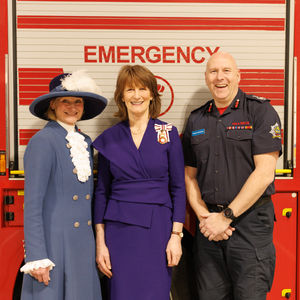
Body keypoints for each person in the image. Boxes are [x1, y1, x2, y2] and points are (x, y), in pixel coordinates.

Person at [182, 52, 282, 300]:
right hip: (209, 230)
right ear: (206, 78)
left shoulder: (260, 112)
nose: (220, 77)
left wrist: (226, 217)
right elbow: (189, 176)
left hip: (250, 226)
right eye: (213, 71)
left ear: (238, 76)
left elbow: (265, 173)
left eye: (226, 71)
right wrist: (205, 217)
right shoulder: (196, 119)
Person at [92, 64, 186, 300]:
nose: (137, 95)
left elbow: (178, 187)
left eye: (142, 89)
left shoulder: (168, 133)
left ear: (152, 94)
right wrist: (100, 243)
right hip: (119, 231)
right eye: (130, 89)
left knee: (155, 292)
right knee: (122, 293)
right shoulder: (109, 139)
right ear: (121, 96)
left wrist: (176, 235)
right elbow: (102, 192)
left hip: (158, 231)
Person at [20, 70, 107, 300]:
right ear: (53, 106)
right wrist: (37, 256)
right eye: (65, 101)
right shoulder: (42, 141)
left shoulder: (85, 141)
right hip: (54, 246)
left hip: (82, 245)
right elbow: (32, 206)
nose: (72, 107)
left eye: (77, 101)